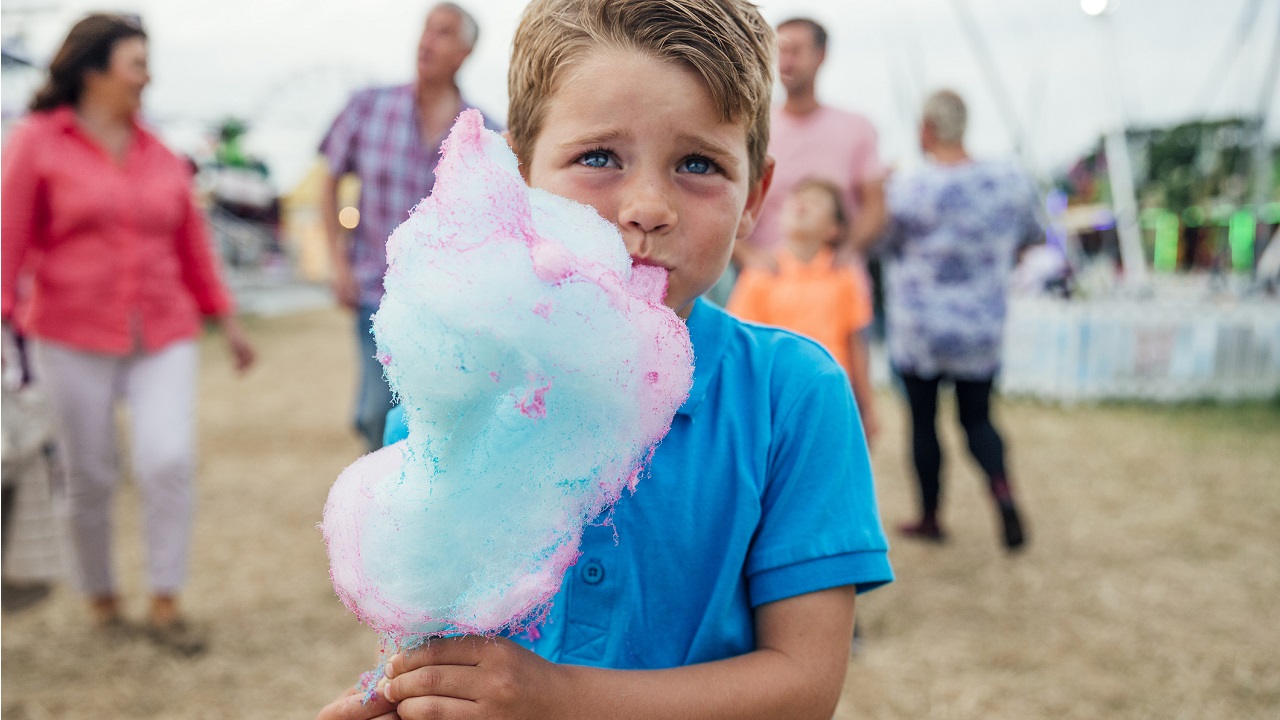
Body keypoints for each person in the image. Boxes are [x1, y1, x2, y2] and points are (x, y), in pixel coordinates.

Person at [319, 1, 892, 718]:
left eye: (698, 164)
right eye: (598, 157)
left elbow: (805, 686)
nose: (649, 207)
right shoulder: (457, 393)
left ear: (756, 197)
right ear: (517, 174)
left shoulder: (793, 395)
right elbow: (441, 661)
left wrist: (560, 701)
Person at [0, 13, 255, 651]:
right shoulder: (36, 141)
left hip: (163, 329)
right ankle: (102, 598)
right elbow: (8, 237)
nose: (148, 77)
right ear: (94, 69)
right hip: (68, 330)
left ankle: (166, 599)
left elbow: (193, 245)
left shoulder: (162, 152)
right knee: (89, 474)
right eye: (136, 63)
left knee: (167, 459)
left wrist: (227, 320)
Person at [319, 2, 500, 452]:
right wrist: (337, 263)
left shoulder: (483, 134)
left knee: (429, 413)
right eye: (425, 30)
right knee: (375, 412)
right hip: (373, 292)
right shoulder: (368, 106)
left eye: (442, 33)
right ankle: (374, 502)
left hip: (444, 305)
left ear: (465, 52)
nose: (426, 41)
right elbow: (328, 179)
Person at [869, 89, 1039, 551]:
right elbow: (1030, 238)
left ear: (926, 129)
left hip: (919, 328)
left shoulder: (909, 187)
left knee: (923, 423)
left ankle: (929, 516)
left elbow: (879, 244)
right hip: (981, 326)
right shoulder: (1010, 181)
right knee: (978, 419)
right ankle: (1002, 492)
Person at [728, 178, 879, 444]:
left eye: (817, 201)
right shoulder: (761, 273)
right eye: (798, 198)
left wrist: (867, 407)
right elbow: (743, 347)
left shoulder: (844, 276)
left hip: (831, 397)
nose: (803, 203)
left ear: (834, 229)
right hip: (775, 400)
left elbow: (857, 341)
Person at [731, 17, 886, 272]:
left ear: (821, 55)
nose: (787, 61)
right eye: (781, 51)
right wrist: (748, 256)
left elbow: (875, 206)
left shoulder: (857, 127)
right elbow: (720, 197)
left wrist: (847, 252)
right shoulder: (750, 126)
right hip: (766, 287)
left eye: (797, 51)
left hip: (835, 286)